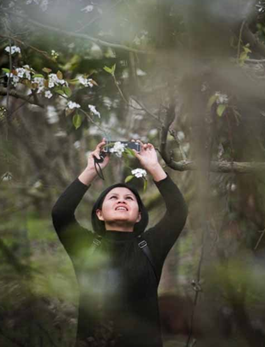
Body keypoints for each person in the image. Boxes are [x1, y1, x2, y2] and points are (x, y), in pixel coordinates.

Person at [51, 139, 188, 347]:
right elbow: (61, 213)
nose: (121, 200)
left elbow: (178, 211)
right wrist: (91, 169)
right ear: (99, 213)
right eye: (113, 197)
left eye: (129, 198)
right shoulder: (88, 247)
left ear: (139, 216)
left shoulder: (150, 246)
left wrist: (153, 166)